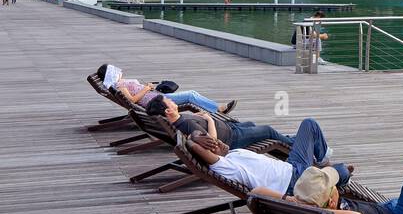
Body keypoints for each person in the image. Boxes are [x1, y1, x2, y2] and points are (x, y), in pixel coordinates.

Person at [187, 119, 351, 199]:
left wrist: (206, 124)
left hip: (292, 167)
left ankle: (324, 166)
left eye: (216, 140)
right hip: (294, 182)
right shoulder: (224, 165)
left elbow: (209, 140)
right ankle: (336, 176)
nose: (219, 143)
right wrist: (192, 141)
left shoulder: (229, 153)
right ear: (210, 153)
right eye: (213, 145)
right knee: (343, 170)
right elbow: (195, 147)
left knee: (309, 125)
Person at [150, 97, 294, 153]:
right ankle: (292, 143)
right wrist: (210, 120)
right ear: (168, 110)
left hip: (230, 128)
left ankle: (285, 140)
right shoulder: (185, 123)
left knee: (251, 124)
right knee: (268, 130)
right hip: (232, 139)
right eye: (168, 100)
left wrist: (197, 117)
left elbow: (193, 127)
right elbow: (212, 141)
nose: (171, 99)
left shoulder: (179, 120)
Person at [95, 64, 236, 116]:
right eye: (116, 71)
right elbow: (131, 100)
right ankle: (218, 109)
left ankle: (214, 109)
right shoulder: (119, 86)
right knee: (191, 95)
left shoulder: (118, 84)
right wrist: (146, 88)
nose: (120, 71)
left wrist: (148, 88)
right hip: (156, 101)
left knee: (189, 95)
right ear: (111, 74)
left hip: (155, 96)